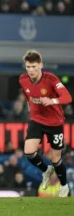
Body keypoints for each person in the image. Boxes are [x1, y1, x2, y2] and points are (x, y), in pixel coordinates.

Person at [19, 50, 71, 197]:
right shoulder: (23, 80)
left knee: (55, 159)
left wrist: (52, 101)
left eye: (34, 66)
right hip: (37, 120)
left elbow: (67, 97)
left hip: (55, 122)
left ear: (40, 65)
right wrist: (32, 109)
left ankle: (64, 186)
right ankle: (45, 170)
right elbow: (28, 95)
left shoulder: (51, 79)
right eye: (28, 67)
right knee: (29, 152)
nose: (30, 70)